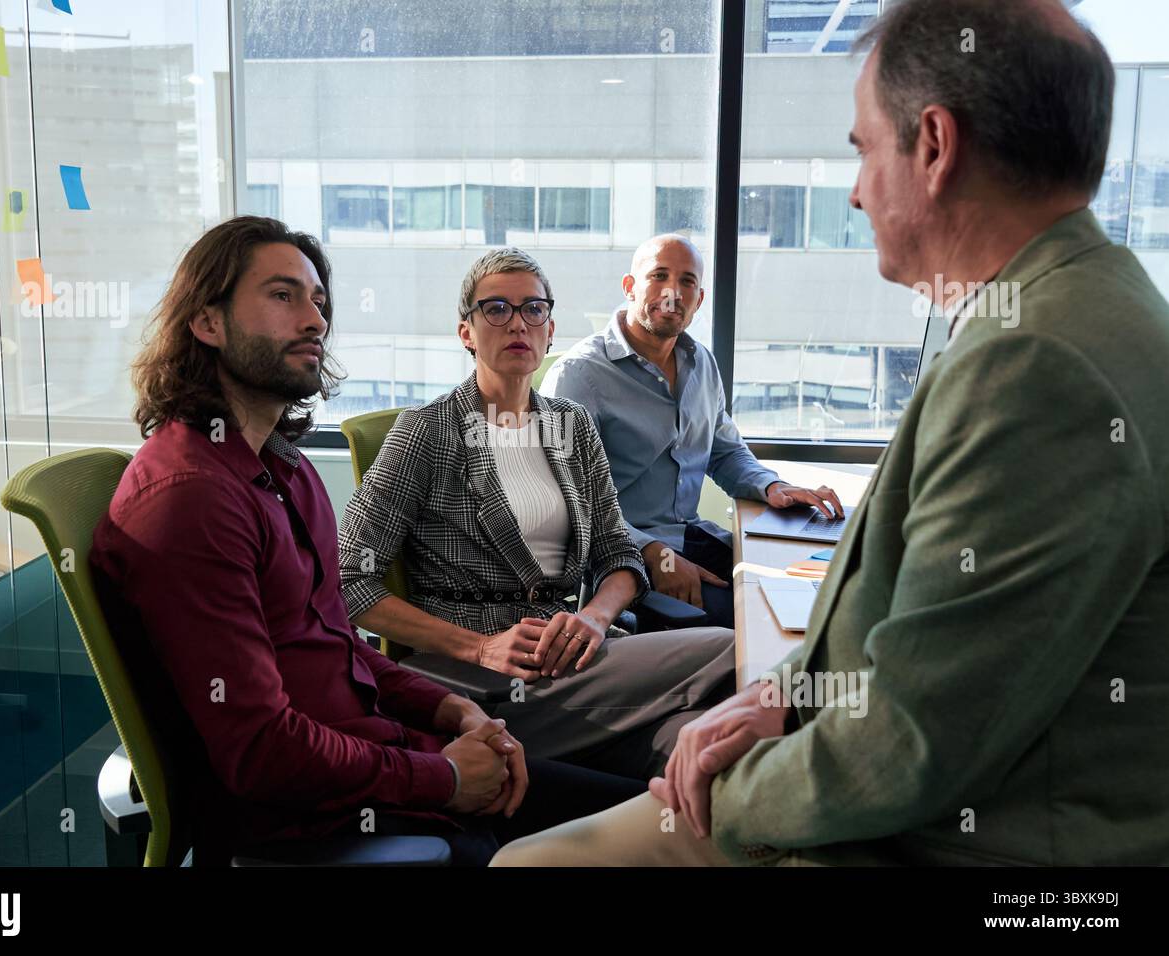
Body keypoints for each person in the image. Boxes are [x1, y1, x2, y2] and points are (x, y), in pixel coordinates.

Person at [494, 0, 1169, 866]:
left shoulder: (1035, 364)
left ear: (933, 146)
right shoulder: (1070, 311)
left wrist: (721, 794)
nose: (853, 191)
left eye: (861, 149)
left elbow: (908, 744)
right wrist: (785, 694)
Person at [90, 216, 643, 867]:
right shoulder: (190, 496)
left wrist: (450, 712)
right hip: (321, 821)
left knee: (650, 812)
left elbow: (339, 643)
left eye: (319, 302)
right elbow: (261, 751)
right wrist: (447, 777)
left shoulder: (283, 471)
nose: (315, 321)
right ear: (208, 323)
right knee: (642, 839)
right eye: (282, 296)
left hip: (390, 757)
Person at [338, 247, 736, 781]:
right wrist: (480, 647)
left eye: (533, 309)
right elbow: (347, 579)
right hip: (475, 681)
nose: (517, 323)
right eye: (496, 309)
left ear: (550, 330)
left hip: (573, 662)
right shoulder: (425, 433)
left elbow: (617, 550)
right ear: (467, 333)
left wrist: (593, 619)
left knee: (703, 748)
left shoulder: (571, 425)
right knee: (738, 650)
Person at [540, 233, 842, 628]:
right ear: (630, 287)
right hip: (621, 560)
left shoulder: (701, 363)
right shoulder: (579, 376)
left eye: (687, 281)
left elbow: (724, 451)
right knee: (761, 620)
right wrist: (654, 553)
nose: (673, 292)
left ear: (699, 299)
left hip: (690, 537)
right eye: (659, 275)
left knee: (819, 582)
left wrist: (772, 487)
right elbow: (569, 502)